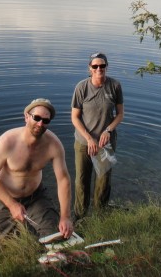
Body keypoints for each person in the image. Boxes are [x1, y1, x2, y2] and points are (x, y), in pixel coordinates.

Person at [0, 98, 74, 253]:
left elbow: (63, 180)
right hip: (3, 198)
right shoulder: (7, 141)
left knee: (57, 237)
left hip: (35, 197)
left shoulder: (53, 144)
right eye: (36, 118)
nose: (40, 124)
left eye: (45, 120)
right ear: (26, 117)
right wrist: (12, 205)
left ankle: (48, 264)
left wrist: (65, 216)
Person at [70, 52, 124, 219]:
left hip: (105, 143)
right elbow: (74, 117)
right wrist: (88, 138)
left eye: (102, 65)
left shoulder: (114, 86)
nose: (99, 69)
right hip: (83, 142)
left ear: (107, 67)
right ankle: (80, 217)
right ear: (90, 68)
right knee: (81, 181)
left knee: (103, 181)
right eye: (95, 66)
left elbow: (120, 114)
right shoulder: (82, 87)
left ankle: (100, 216)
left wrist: (108, 130)